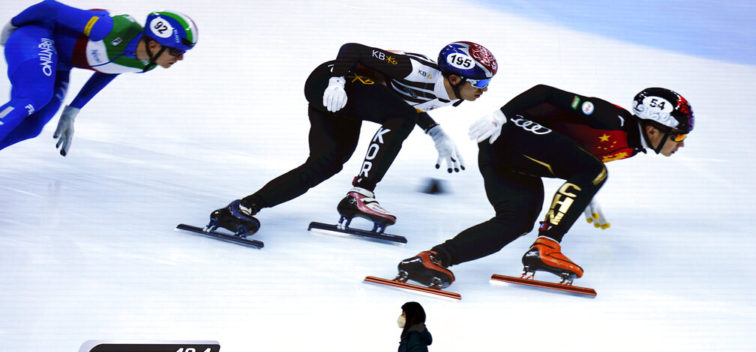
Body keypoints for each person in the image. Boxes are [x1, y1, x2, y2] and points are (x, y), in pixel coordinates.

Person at [396, 84, 695, 288]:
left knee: (516, 222)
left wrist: (585, 189)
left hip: (511, 156)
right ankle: (547, 247)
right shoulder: (612, 119)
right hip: (509, 132)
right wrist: (501, 115)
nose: (680, 144)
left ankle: (432, 259)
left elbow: (574, 157)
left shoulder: (631, 147)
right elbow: (546, 93)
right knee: (594, 170)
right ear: (654, 128)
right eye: (679, 136)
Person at [206, 41, 498, 238]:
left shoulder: (449, 94)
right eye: (480, 83)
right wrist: (337, 82)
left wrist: (436, 133)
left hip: (350, 97)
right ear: (456, 78)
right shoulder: (415, 69)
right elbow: (353, 49)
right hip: (332, 80)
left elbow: (406, 108)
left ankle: (241, 209)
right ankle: (362, 194)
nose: (484, 90)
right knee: (401, 117)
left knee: (327, 163)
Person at [0, 0, 197, 155]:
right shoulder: (106, 29)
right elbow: (49, 7)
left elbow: (111, 69)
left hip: (61, 63)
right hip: (35, 36)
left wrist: (73, 110)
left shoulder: (146, 63)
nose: (180, 58)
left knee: (33, 126)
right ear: (154, 45)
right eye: (176, 51)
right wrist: (11, 26)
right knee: (36, 96)